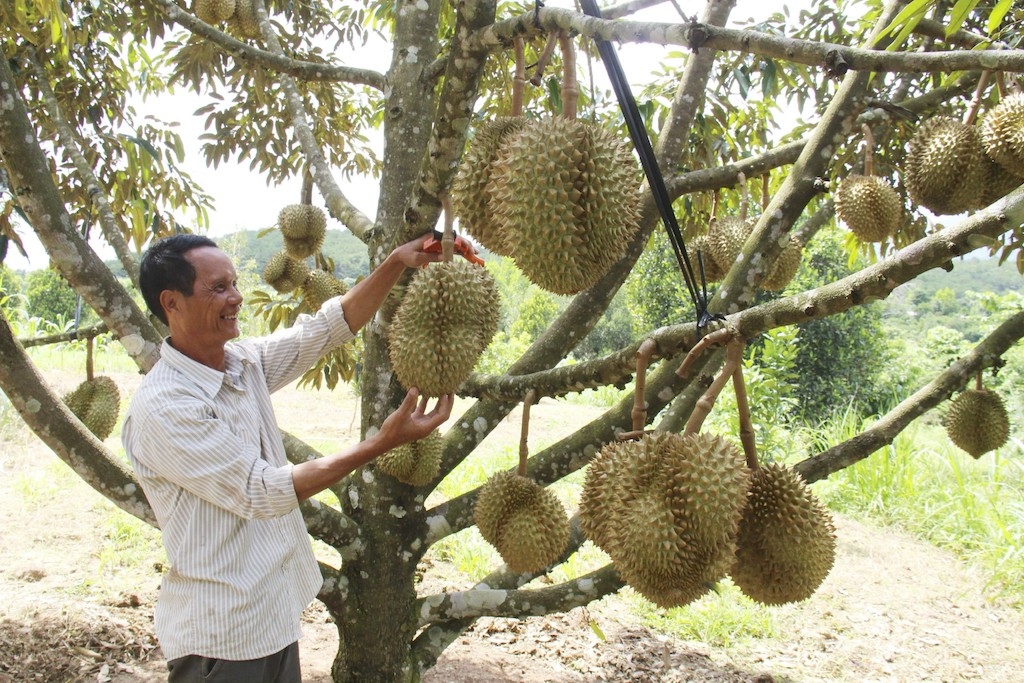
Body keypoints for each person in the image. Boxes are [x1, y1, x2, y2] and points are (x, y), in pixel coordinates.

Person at [122, 232, 456, 682]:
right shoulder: (165, 407)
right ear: (171, 302)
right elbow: (262, 490)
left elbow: (324, 329)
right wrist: (379, 444)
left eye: (234, 283)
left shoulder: (241, 364)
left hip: (271, 617)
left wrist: (395, 263)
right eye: (218, 288)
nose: (236, 297)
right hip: (221, 639)